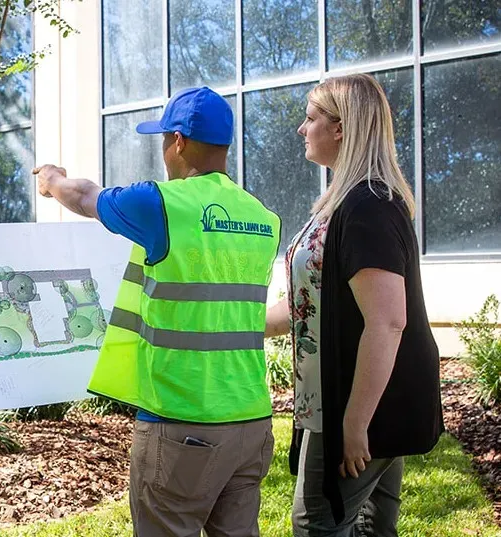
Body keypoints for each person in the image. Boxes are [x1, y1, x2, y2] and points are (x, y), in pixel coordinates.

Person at [34, 86, 281, 537]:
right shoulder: (264, 219)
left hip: (182, 424)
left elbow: (87, 196)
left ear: (180, 141)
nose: (164, 152)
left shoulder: (160, 203)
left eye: (164, 139)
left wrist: (50, 179)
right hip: (250, 422)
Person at [264, 73, 442, 536]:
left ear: (340, 127)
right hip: (358, 399)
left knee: (317, 523)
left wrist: (356, 424)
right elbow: (311, 304)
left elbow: (387, 322)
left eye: (310, 118)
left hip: (356, 406)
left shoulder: (368, 206)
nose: (302, 130)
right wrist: (236, 324)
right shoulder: (348, 202)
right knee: (372, 528)